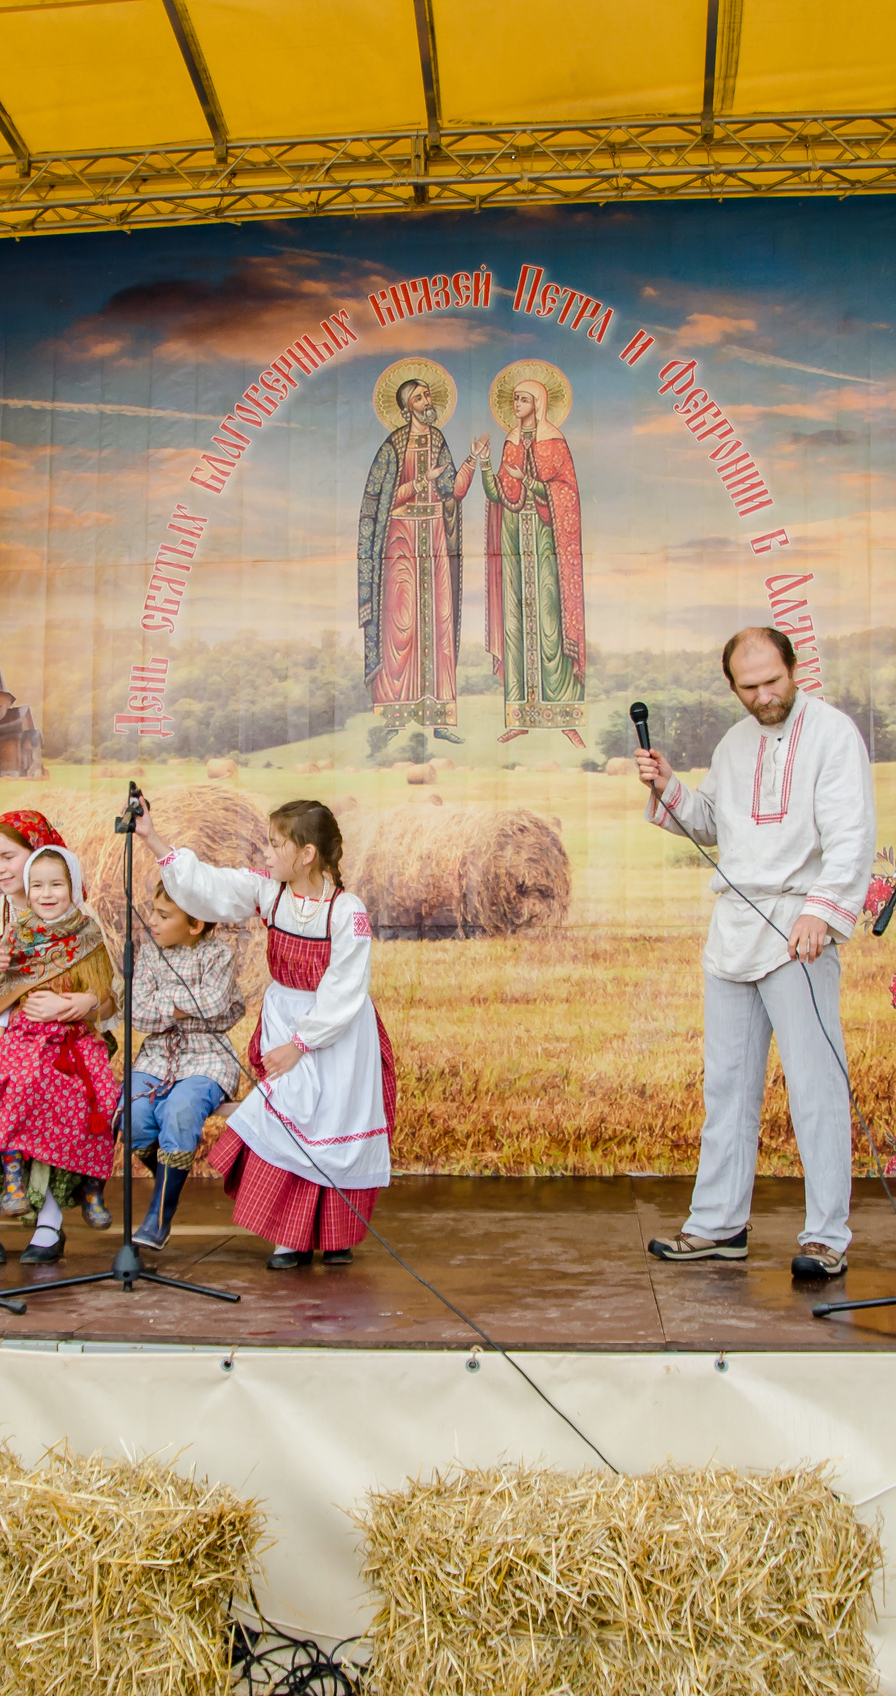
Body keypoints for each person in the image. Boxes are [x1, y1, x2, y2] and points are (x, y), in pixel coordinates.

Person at [637, 626, 876, 1279]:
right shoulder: (736, 743)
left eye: (774, 680)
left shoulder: (833, 734)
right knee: (728, 1088)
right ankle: (718, 1226)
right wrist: (669, 786)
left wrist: (820, 914)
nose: (765, 695)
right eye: (750, 686)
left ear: (794, 668)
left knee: (815, 1088)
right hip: (736, 926)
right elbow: (714, 823)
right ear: (734, 687)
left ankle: (826, 1235)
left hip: (798, 926)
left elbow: (852, 835)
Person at [138, 799, 392, 1268]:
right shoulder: (269, 892)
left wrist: (300, 1045)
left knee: (335, 1122)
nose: (267, 853)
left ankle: (337, 1236)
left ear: (308, 853)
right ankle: (289, 1236)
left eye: (277, 844)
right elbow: (208, 887)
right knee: (286, 1119)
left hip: (335, 1031)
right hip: (285, 1018)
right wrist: (152, 838)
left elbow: (344, 988)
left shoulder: (345, 910)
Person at [0, 809, 112, 1228]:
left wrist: (80, 1004)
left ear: (40, 853)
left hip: (71, 1037)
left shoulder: (81, 920)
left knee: (71, 1091)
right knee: (1, 1087)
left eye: (8, 857)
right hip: (4, 1035)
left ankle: (51, 1220)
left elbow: (110, 998)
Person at [358, 363, 484, 752]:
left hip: (433, 539)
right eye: (420, 397)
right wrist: (418, 482)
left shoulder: (439, 440)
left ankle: (439, 717)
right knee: (401, 623)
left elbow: (453, 492)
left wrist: (471, 461)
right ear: (406, 407)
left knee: (438, 625)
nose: (428, 402)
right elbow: (379, 504)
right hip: (399, 537)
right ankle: (394, 715)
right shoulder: (392, 447)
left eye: (429, 396)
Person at [125, 885, 245, 1249]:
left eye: (164, 916)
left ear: (194, 924)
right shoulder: (147, 953)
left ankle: (159, 1215)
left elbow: (214, 1002)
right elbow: (137, 1012)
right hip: (157, 1055)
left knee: (180, 1110)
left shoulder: (219, 954)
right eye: (154, 912)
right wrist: (184, 1006)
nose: (153, 923)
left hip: (206, 1056)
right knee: (130, 1115)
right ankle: (169, 1175)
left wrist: (165, 1003)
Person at [479, 365, 587, 746]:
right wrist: (485, 463)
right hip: (513, 542)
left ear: (538, 403)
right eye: (514, 399)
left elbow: (565, 493)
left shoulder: (554, 443)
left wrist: (527, 480)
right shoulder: (510, 442)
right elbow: (498, 495)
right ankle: (520, 716)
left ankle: (564, 718)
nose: (517, 404)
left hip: (545, 541)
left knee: (549, 624)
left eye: (523, 399)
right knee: (515, 626)